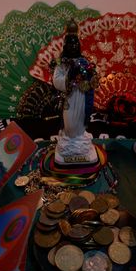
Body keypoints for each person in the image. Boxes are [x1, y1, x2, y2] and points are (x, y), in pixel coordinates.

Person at [52, 19, 99, 164]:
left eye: (75, 43)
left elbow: (92, 81)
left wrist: (91, 78)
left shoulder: (84, 62)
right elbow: (56, 80)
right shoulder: (62, 64)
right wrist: (69, 77)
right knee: (70, 124)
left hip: (82, 97)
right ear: (65, 46)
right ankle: (70, 142)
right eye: (70, 44)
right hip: (70, 98)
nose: (73, 47)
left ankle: (79, 141)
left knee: (80, 123)